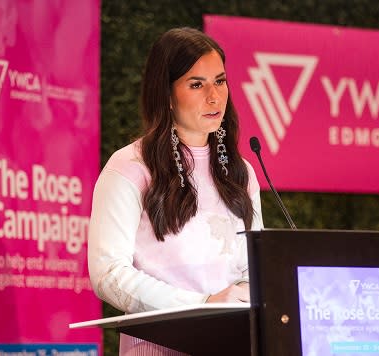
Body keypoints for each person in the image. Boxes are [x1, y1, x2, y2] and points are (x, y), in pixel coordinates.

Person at [88, 27, 264, 355]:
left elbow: (253, 268)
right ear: (167, 95)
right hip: (156, 345)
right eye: (196, 84)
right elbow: (108, 274)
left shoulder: (242, 171)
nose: (214, 97)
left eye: (220, 81)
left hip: (233, 343)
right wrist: (202, 305)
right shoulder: (128, 166)